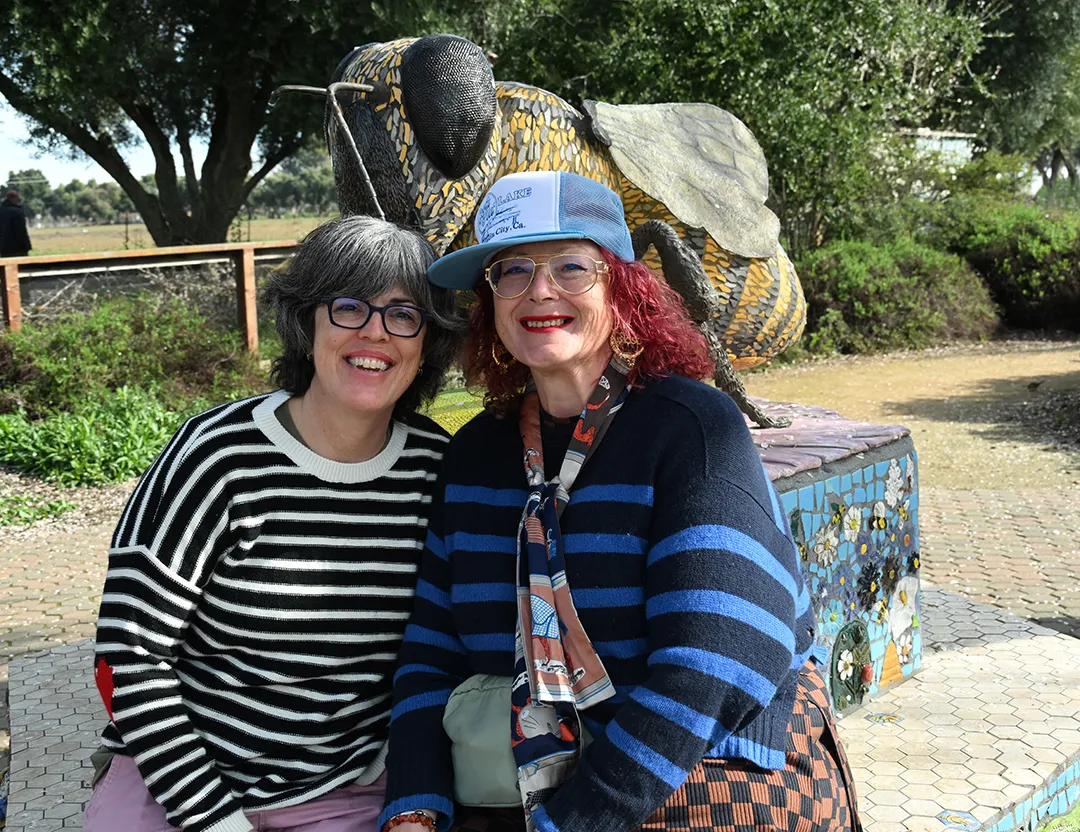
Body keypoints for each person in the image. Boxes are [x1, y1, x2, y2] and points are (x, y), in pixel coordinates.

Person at [380, 171, 860, 832]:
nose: (539, 290)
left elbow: (715, 660)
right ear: (489, 306)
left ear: (622, 290)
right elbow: (431, 650)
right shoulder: (475, 456)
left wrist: (569, 823)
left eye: (571, 267)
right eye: (511, 271)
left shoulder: (691, 429)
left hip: (701, 778)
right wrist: (414, 800)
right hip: (525, 781)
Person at [84, 215, 464, 832]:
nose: (375, 333)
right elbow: (131, 655)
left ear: (428, 342)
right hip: (177, 780)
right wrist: (216, 820)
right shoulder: (217, 455)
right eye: (349, 307)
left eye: (403, 314)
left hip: (345, 790)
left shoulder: (436, 466)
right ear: (305, 321)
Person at [0, 189, 32, 257]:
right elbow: (21, 232)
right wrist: (26, 246)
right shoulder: (18, 212)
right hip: (18, 249)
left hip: (4, 249)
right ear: (14, 199)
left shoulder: (1, 211)